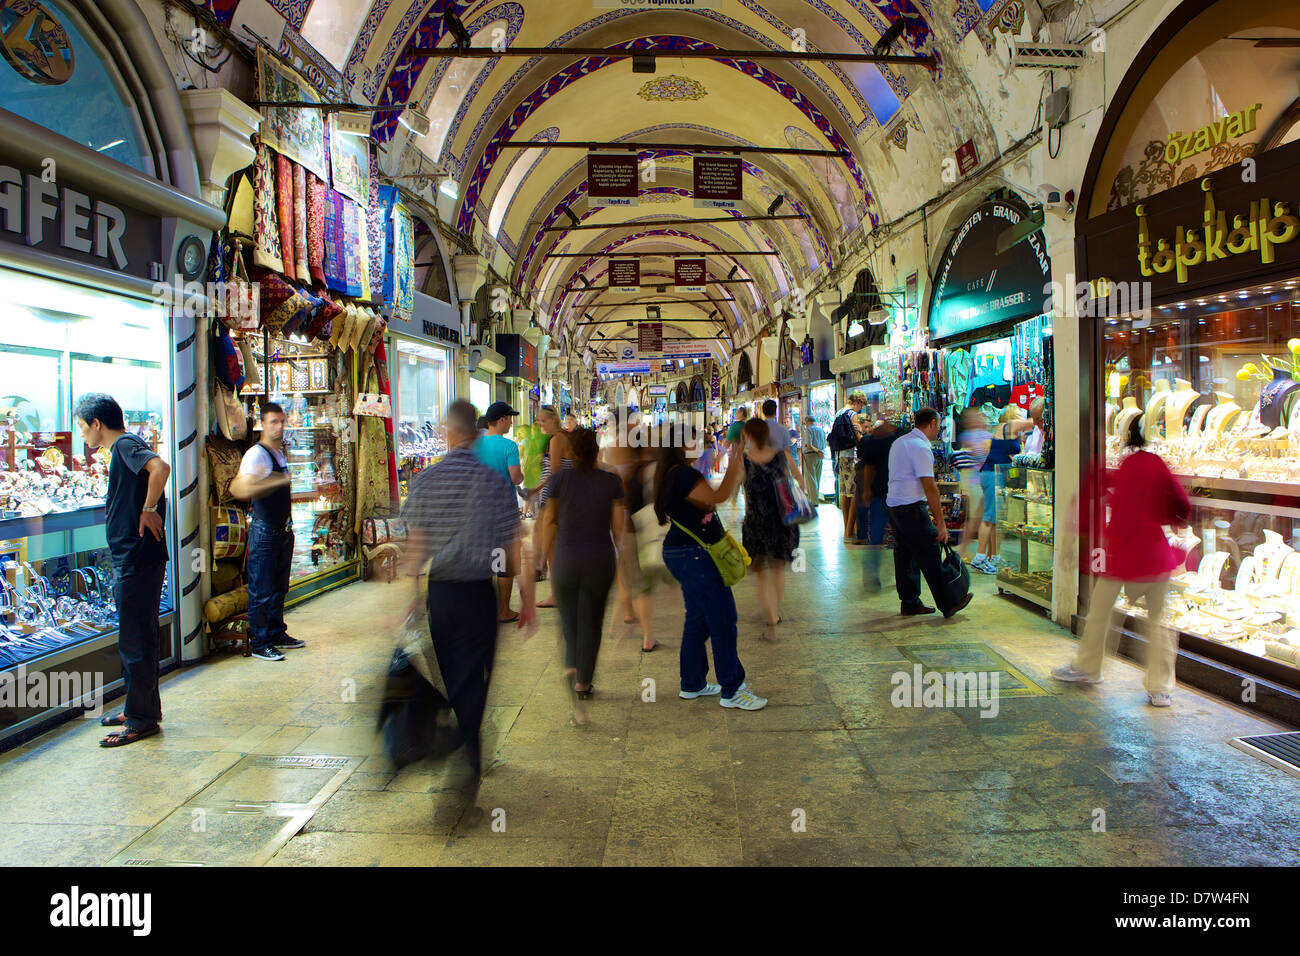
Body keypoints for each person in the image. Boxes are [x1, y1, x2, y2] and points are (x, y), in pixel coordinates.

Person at [400, 400, 536, 799]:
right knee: (475, 677)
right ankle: (466, 751)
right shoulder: (495, 483)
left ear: (448, 433)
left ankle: (461, 747)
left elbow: (417, 547)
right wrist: (525, 598)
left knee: (452, 674)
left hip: (441, 594)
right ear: (474, 434)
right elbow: (512, 549)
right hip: (480, 594)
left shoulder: (425, 481)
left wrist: (411, 597)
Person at [1053, 418, 1190, 707]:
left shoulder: (1126, 468)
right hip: (1156, 555)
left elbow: (1121, 513)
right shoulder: (1156, 463)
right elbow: (1182, 503)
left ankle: (1089, 668)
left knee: (1101, 612)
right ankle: (1160, 688)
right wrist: (1167, 520)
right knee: (1157, 623)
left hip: (1126, 555)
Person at [75, 394, 170, 747]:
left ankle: (140, 719)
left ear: (97, 423)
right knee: (137, 636)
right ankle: (139, 708)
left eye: (83, 426)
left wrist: (148, 508)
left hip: (136, 558)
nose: (82, 434)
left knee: (135, 640)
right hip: (136, 557)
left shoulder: (125, 445)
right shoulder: (124, 449)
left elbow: (160, 468)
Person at [656, 426, 767, 710]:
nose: (703, 444)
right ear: (681, 446)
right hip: (694, 555)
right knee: (722, 619)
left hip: (684, 552)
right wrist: (734, 458)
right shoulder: (684, 475)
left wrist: (736, 457)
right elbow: (717, 498)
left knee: (698, 618)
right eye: (696, 440)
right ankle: (733, 689)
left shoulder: (674, 473)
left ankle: (692, 682)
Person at [539, 427, 624, 722]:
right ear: (597, 451)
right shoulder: (612, 482)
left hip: (566, 560)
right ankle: (582, 681)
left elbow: (549, 521)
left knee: (569, 623)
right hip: (600, 561)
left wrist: (546, 558)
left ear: (571, 452)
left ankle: (571, 668)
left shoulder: (558, 480)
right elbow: (618, 528)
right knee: (592, 622)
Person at [229, 402, 306, 662]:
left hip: (282, 531)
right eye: (273, 422)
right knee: (261, 588)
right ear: (262, 424)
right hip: (264, 531)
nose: (279, 427)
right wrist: (273, 481)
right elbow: (240, 488)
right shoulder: (257, 454)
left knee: (278, 587)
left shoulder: (278, 453)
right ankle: (261, 641)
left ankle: (275, 632)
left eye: (282, 421)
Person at [886, 408, 973, 619]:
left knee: (905, 555)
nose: (939, 429)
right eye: (939, 425)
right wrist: (941, 524)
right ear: (932, 423)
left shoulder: (900, 442)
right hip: (911, 508)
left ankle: (910, 602)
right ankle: (948, 603)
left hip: (894, 506)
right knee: (930, 552)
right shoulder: (920, 447)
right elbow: (929, 486)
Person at [739, 419, 799, 640]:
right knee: (777, 569)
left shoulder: (745, 460)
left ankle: (771, 616)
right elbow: (796, 479)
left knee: (761, 573)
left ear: (749, 436)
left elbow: (737, 487)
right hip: (781, 520)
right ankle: (774, 612)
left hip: (756, 522)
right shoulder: (781, 454)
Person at [972, 407, 1037, 574]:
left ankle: (992, 555)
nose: (1023, 415)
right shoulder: (1012, 424)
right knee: (989, 517)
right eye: (1020, 413)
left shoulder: (1005, 429)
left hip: (993, 475)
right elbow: (1033, 421)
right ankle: (979, 557)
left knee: (994, 518)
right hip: (992, 475)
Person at [476, 402, 523, 623]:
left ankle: (483, 609)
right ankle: (503, 610)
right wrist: (522, 477)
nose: (511, 422)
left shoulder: (475, 445)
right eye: (510, 418)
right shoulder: (509, 446)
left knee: (485, 560)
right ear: (502, 419)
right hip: (504, 513)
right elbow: (515, 478)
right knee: (504, 562)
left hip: (480, 511)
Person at [855, 408, 907, 591]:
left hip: (885, 491)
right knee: (893, 535)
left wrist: (868, 490)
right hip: (892, 492)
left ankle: (873, 575)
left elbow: (868, 466)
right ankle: (882, 574)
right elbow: (869, 466)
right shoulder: (898, 436)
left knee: (878, 536)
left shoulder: (878, 438)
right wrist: (868, 490)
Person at [533, 405, 573, 607]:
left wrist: (538, 490)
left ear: (554, 420)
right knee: (556, 547)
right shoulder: (561, 438)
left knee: (552, 549)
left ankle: (556, 593)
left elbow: (555, 472)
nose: (541, 424)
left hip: (553, 498)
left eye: (544, 421)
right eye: (539, 421)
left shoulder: (557, 439)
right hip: (555, 496)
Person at [952, 408, 992, 565]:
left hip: (975, 482)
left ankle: (968, 551)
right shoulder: (977, 436)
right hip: (979, 483)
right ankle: (974, 552)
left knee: (976, 519)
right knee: (980, 519)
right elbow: (982, 456)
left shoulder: (968, 436)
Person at [829, 392, 867, 538]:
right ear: (857, 402)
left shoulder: (839, 412)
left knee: (844, 493)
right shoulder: (852, 414)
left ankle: (847, 528)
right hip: (851, 456)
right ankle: (851, 531)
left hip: (840, 456)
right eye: (861, 405)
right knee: (854, 493)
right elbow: (858, 436)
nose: (860, 409)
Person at [801, 415, 827, 503]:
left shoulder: (808, 430)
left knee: (811, 479)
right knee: (817, 477)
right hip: (820, 456)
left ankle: (813, 501)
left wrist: (817, 450)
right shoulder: (821, 430)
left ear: (807, 422)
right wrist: (820, 452)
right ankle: (816, 498)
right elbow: (824, 444)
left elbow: (809, 445)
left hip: (810, 455)